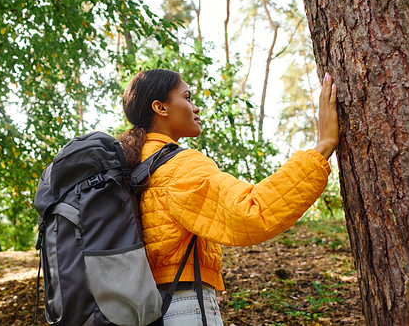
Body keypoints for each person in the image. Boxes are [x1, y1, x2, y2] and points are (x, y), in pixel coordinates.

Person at [118, 68, 338, 325]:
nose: (196, 107)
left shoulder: (129, 163)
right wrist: (324, 145)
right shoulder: (179, 166)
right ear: (160, 107)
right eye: (187, 98)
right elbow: (252, 212)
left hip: (136, 309)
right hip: (181, 307)